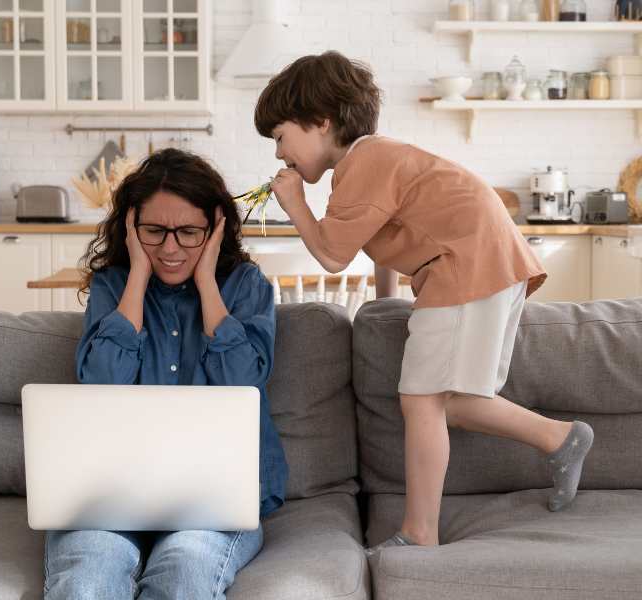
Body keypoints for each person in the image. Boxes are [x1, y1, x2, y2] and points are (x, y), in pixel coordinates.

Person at [254, 50, 593, 549]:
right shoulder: (376, 159)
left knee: (421, 401)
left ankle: (419, 532)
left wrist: (295, 205)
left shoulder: (362, 163)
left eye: (281, 137)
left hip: (466, 263)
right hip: (490, 261)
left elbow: (330, 255)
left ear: (320, 122)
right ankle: (559, 439)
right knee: (455, 402)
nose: (279, 155)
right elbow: (392, 234)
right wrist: (384, 302)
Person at [43, 148, 288, 599]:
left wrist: (207, 284)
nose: (170, 248)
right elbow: (100, 385)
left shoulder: (245, 286)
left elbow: (244, 383)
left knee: (184, 577)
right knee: (85, 582)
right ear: (132, 229)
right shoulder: (114, 286)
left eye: (189, 232)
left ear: (215, 229)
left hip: (215, 505)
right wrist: (137, 275)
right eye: (154, 231)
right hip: (110, 497)